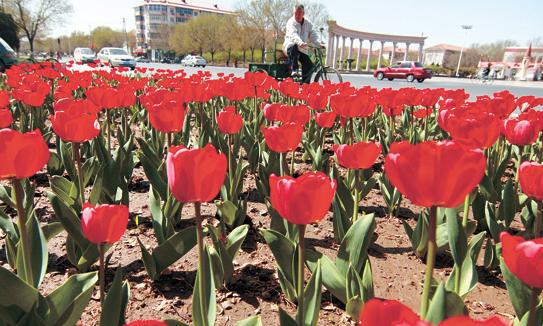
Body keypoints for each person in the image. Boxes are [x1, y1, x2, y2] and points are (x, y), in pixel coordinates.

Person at [283, 4, 321, 83]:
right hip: (289, 46)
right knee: (294, 47)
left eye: (299, 13)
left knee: (309, 64)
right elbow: (293, 34)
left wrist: (319, 44)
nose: (297, 15)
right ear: (293, 13)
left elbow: (313, 34)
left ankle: (305, 85)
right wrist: (300, 42)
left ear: (303, 13)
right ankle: (294, 70)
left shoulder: (308, 23)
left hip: (301, 48)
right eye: (295, 13)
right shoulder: (291, 22)